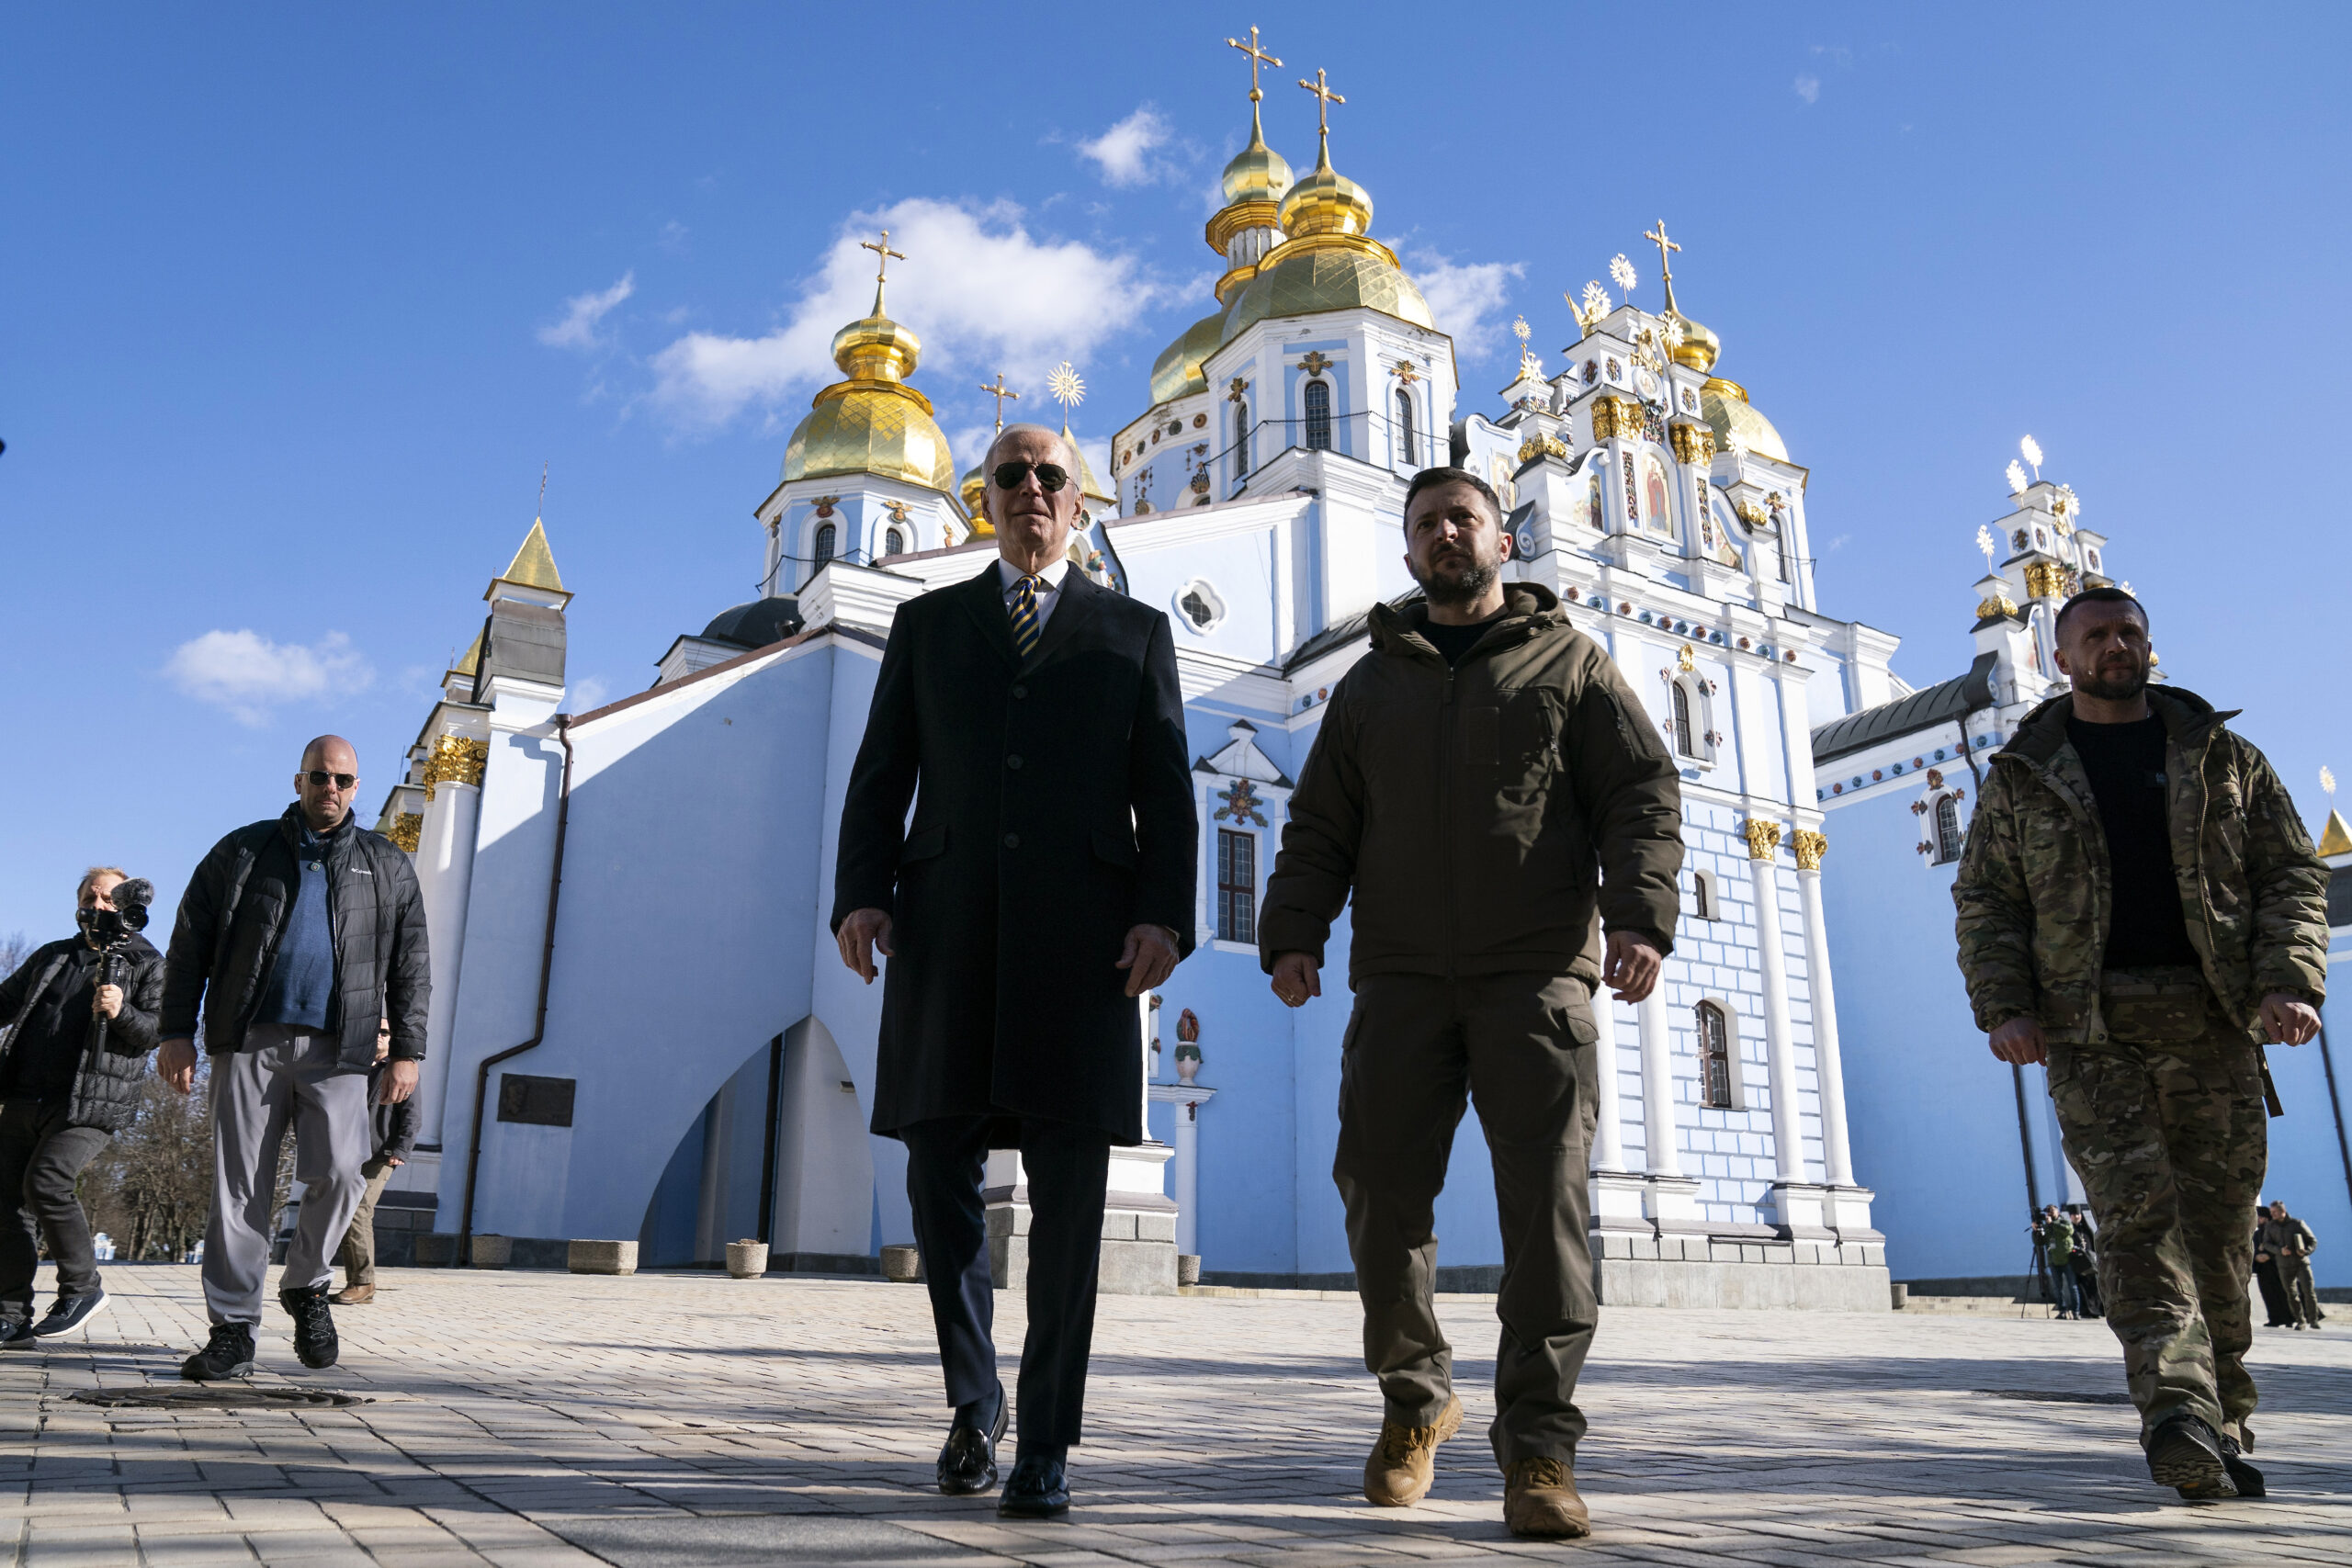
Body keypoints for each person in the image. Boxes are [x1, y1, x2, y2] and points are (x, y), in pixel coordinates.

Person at [1259, 466, 1684, 1540]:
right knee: (1378, 1192)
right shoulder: (1368, 686)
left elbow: (1638, 789)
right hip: (1399, 976)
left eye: (1464, 519)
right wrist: (1293, 932)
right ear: (1408, 555)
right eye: (1425, 525)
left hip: (1533, 972)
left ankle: (1539, 1449)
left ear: (1503, 540)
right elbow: (1319, 826)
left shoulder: (1569, 663)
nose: (1445, 535)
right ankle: (1416, 1399)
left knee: (1546, 1210)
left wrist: (1636, 914)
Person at [832, 423, 1196, 1518]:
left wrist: (1164, 920)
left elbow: (1167, 790)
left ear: (1078, 502)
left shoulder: (1132, 632)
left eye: (1051, 478)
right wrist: (861, 894)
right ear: (981, 498)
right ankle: (969, 1400)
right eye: (1010, 477)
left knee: (1072, 1201)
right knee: (937, 1176)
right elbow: (881, 770)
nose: (1030, 491)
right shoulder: (928, 624)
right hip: (944, 933)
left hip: (1085, 947)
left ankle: (1047, 1440)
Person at [1953, 587, 2326, 1502]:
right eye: (2095, 636)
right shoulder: (2022, 775)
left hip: (2213, 1030)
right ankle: (2176, 1412)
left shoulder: (2222, 760)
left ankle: (2222, 1417)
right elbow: (1987, 903)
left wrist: (2288, 978)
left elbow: (2289, 873)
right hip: (2092, 1038)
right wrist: (2004, 1004)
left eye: (2128, 633)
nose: (2115, 647)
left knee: (2218, 1234)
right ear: (2061, 656)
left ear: (2149, 646)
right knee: (2135, 1229)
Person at [158, 736, 430, 1381]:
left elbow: (411, 963)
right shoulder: (244, 851)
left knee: (342, 1172)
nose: (329, 788)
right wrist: (175, 1029)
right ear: (299, 779)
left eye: (342, 778)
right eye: (319, 776)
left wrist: (409, 1051)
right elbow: (191, 938)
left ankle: (306, 1283)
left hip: (343, 1048)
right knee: (239, 1191)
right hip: (251, 1039)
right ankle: (232, 1329)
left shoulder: (386, 865)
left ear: (356, 787)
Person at [0, 868, 164, 1344]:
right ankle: (11, 1316)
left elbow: (155, 1032)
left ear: (126, 904)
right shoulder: (53, 956)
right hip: (24, 1094)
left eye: (108, 898)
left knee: (47, 1181)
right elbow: (4, 1002)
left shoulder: (146, 962)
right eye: (89, 897)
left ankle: (83, 1288)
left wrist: (121, 1011)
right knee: (7, 1204)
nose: (97, 905)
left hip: (91, 1102)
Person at [330, 1018, 416, 1304]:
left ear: (392, 1039)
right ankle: (355, 1281)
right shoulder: (354, 1067)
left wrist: (401, 1150)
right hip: (347, 1151)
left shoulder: (399, 1070)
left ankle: (363, 1283)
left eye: (385, 1032)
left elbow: (412, 1113)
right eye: (375, 1031)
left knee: (358, 1211)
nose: (379, 1037)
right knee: (341, 1211)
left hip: (381, 1154)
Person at [2261, 1201, 2324, 1330]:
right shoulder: (2270, 1226)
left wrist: (2305, 1251)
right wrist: (2280, 1250)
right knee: (2291, 1294)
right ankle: (2300, 1321)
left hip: (2301, 1263)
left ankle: (2313, 1320)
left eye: (2275, 1212)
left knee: (2308, 1292)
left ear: (2283, 1211)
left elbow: (2313, 1241)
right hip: (2284, 1265)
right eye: (2271, 1212)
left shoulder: (2297, 1224)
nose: (2272, 1214)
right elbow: (2266, 1244)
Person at [2251, 1206, 2292, 1328]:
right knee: (2268, 1295)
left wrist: (2269, 1255)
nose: (2259, 1220)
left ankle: (2289, 1319)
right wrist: (2256, 1257)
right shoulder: (2257, 1234)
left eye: (2261, 1217)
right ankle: (2274, 1319)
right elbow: (2252, 1249)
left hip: (2277, 1267)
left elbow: (2284, 1246)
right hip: (2263, 1270)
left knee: (2283, 1294)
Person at [2039, 1204, 2081, 1318]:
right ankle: (2062, 1311)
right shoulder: (2047, 1225)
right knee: (2058, 1288)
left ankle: (2076, 1311)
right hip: (2053, 1260)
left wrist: (2053, 1223)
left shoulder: (2064, 1222)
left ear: (2057, 1211)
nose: (2050, 1213)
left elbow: (2068, 1231)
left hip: (2067, 1259)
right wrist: (2036, 1230)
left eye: (2052, 1211)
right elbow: (2040, 1242)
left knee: (2073, 1287)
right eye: (2048, 1212)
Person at [2070, 1209, 2104, 1319]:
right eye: (2074, 1215)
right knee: (2082, 1287)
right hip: (2078, 1263)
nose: (2076, 1217)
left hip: (2090, 1262)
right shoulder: (2070, 1230)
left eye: (2078, 1214)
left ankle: (2096, 1310)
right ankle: (2086, 1310)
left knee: (2093, 1286)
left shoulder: (2085, 1229)